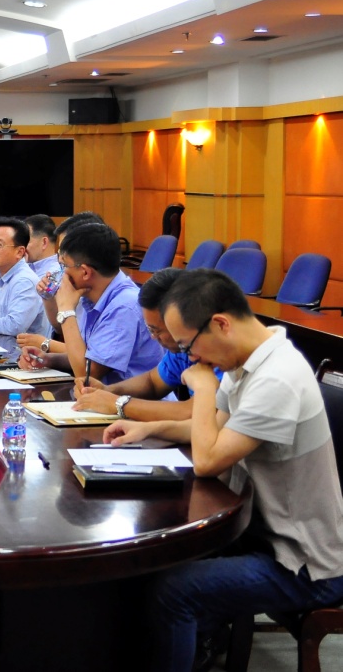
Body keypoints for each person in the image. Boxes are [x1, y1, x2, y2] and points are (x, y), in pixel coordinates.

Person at [103, 269, 343, 671]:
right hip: (261, 533)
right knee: (148, 561)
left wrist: (205, 389)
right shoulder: (250, 360)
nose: (191, 358)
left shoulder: (277, 379)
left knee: (175, 591)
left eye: (187, 345)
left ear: (220, 324)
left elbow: (207, 460)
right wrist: (148, 427)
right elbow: (212, 431)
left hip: (303, 564)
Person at [19, 222, 162, 383]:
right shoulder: (91, 297)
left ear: (85, 272)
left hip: (130, 397)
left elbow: (87, 374)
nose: (61, 273)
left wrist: (66, 309)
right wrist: (48, 359)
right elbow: (89, 357)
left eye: (64, 266)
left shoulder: (124, 306)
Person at [72, 267, 205, 421]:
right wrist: (107, 390)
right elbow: (153, 382)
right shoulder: (181, 350)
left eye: (157, 330)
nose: (153, 337)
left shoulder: (215, 354)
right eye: (150, 330)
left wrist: (118, 403)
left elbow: (197, 412)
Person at [24, 213, 60, 279]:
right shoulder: (24, 266)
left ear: (44, 242)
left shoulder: (53, 275)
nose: (22, 247)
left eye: (26, 241)